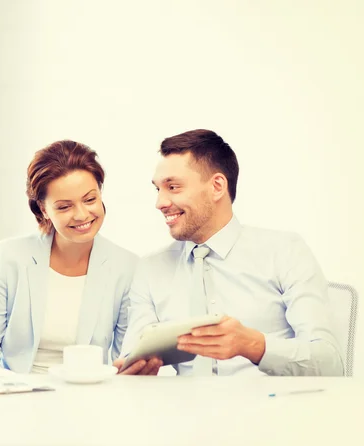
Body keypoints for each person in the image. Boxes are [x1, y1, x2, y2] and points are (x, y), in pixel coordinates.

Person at [115, 129, 343, 376]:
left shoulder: (284, 251)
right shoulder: (150, 269)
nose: (160, 202)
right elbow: (132, 356)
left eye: (173, 187)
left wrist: (253, 345)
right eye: (158, 189)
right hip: (182, 411)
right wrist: (134, 371)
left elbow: (330, 363)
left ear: (217, 187)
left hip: (272, 409)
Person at [0, 140, 138, 373]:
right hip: (16, 395)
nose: (81, 215)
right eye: (64, 207)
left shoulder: (127, 267)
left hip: (90, 397)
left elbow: (125, 361)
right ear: (43, 210)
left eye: (90, 199)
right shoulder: (10, 257)